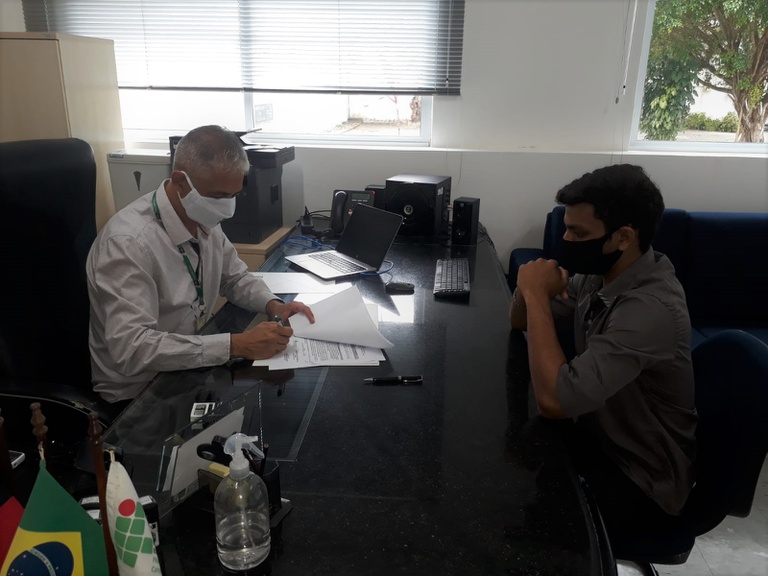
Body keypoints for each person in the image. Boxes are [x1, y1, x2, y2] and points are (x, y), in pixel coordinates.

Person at [509, 164, 697, 553]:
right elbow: (520, 322)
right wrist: (530, 292)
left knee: (509, 525)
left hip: (639, 478)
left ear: (623, 237)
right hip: (598, 439)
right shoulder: (601, 274)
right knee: (505, 464)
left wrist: (534, 292)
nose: (565, 240)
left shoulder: (650, 308)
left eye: (578, 233)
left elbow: (555, 401)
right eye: (566, 228)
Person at [87, 125, 314, 404]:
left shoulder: (202, 215)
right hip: (138, 394)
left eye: (234, 195)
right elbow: (131, 349)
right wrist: (235, 345)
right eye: (218, 196)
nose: (227, 208)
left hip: (189, 371)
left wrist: (273, 304)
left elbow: (235, 278)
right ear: (180, 182)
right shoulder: (127, 243)